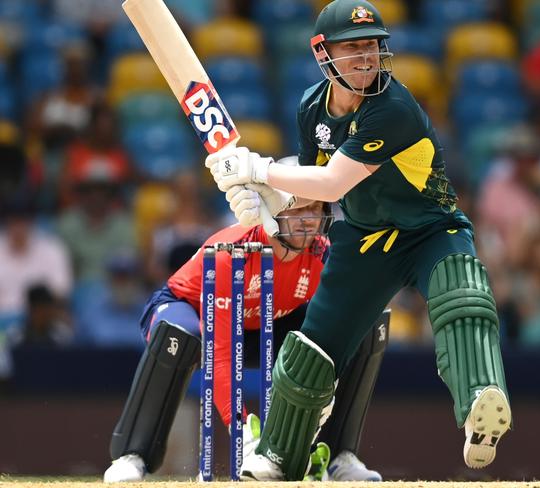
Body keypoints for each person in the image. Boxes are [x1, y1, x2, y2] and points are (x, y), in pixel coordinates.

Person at [206, 0, 512, 480]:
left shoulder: (393, 108)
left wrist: (262, 169)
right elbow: (313, 187)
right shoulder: (312, 107)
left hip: (430, 228)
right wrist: (265, 204)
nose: (367, 57)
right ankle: (279, 456)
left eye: (372, 45)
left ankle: (480, 406)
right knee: (314, 346)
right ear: (323, 53)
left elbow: (331, 185)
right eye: (353, 47)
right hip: (364, 236)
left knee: (464, 299)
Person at [103, 197, 389, 482]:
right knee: (180, 335)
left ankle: (337, 457)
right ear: (272, 212)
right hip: (193, 312)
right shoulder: (234, 255)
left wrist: (323, 394)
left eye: (315, 209)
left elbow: (346, 317)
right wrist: (239, 429)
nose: (309, 219)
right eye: (298, 208)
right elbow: (220, 352)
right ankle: (133, 455)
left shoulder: (323, 254)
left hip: (267, 319)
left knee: (363, 325)